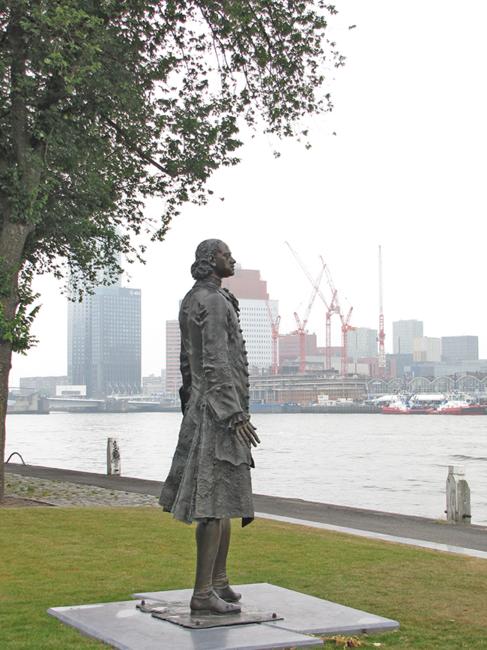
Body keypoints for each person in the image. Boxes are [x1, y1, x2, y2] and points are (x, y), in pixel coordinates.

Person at [160, 239, 260, 615]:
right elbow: (215, 360)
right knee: (213, 506)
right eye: (225, 255)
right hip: (218, 412)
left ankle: (218, 581)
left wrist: (191, 407)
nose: (232, 259)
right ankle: (203, 593)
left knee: (226, 499)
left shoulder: (193, 298)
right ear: (210, 260)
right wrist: (234, 414)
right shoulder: (213, 301)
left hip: (203, 406)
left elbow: (187, 365)